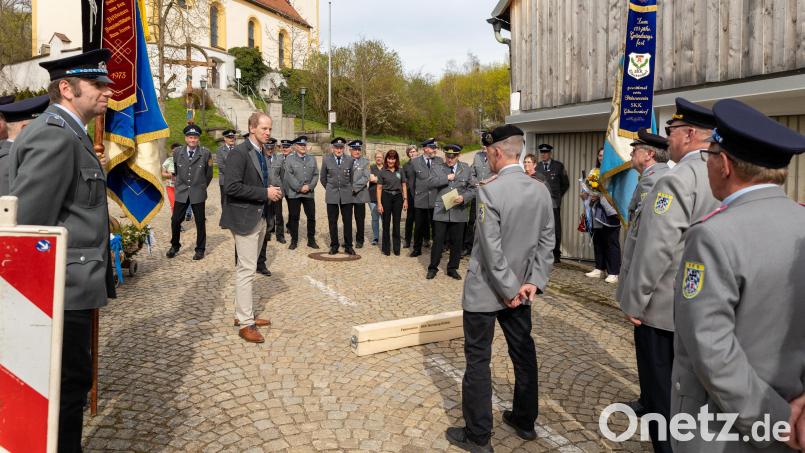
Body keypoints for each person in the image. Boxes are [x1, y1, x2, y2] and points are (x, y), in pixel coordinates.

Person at [671, 99, 805, 452]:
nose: (708, 164)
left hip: (726, 428)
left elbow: (710, 346)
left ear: (725, 164)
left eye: (710, 155)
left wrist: (775, 419)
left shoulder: (712, 236)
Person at [8, 48, 117, 453]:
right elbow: (28, 227)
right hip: (58, 291)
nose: (108, 90)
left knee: (70, 384)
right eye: (98, 84)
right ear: (67, 88)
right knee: (65, 389)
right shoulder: (56, 136)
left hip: (69, 287)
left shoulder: (69, 133)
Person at [619, 98, 720, 453]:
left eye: (672, 131)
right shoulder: (726, 173)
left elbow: (655, 248)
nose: (669, 139)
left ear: (690, 134)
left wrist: (634, 300)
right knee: (697, 396)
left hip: (663, 311)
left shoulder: (677, 180)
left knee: (661, 394)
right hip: (709, 309)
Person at [446, 125, 554, 453]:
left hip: (488, 292)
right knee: (523, 354)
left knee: (478, 359)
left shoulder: (490, 189)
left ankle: (479, 436)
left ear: (495, 152)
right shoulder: (540, 189)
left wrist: (508, 289)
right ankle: (524, 420)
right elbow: (547, 241)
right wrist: (532, 281)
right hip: (522, 291)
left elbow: (491, 249)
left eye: (488, 153)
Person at [613, 129, 670, 417]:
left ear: (649, 154)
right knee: (646, 354)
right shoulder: (647, 180)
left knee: (655, 358)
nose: (631, 155)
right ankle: (648, 399)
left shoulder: (658, 183)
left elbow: (654, 245)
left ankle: (658, 410)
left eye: (635, 150)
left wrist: (637, 295)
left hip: (653, 292)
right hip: (644, 283)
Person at [220, 112, 282, 343]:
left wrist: (271, 190)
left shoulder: (261, 152)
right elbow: (232, 187)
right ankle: (246, 323)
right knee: (246, 270)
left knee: (248, 268)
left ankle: (243, 314)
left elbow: (257, 182)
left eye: (270, 129)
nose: (268, 133)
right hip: (245, 218)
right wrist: (264, 193)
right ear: (252, 128)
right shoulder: (239, 153)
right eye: (264, 129)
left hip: (260, 215)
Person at [426, 144, 476, 279]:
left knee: (457, 241)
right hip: (441, 210)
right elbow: (430, 183)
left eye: (453, 157)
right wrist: (446, 178)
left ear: (458, 156)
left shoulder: (466, 168)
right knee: (438, 240)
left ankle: (452, 268)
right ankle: (433, 267)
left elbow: (473, 189)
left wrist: (464, 198)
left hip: (459, 210)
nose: (450, 159)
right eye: (448, 156)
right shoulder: (437, 168)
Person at [166, 124, 213, 260]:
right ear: (186, 138)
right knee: (175, 220)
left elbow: (209, 174)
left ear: (198, 139)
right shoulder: (177, 152)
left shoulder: (205, 153)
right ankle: (175, 245)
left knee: (200, 221)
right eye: (190, 137)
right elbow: (176, 170)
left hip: (198, 192)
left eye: (195, 137)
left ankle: (200, 249)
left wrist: (201, 187)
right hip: (181, 192)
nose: (193, 140)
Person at [582, 147, 621, 284]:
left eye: (604, 155)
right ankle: (599, 268)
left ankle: (614, 272)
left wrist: (599, 196)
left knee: (611, 242)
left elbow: (616, 192)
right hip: (595, 211)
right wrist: (586, 195)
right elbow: (589, 188)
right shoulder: (594, 171)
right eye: (599, 155)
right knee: (598, 240)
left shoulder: (615, 172)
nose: (601, 157)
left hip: (610, 210)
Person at [0, 95, 49, 195]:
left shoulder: (14, 156)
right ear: (25, 129)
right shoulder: (11, 161)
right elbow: (8, 208)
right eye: (40, 126)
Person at [534, 143, 569, 262]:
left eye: (545, 152)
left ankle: (556, 254)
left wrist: (557, 196)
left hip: (554, 203)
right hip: (540, 203)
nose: (543, 155)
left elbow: (565, 184)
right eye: (541, 153)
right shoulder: (537, 167)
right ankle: (541, 253)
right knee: (540, 227)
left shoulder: (558, 166)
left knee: (555, 228)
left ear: (550, 153)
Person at [320, 137, 355, 255]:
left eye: (341, 148)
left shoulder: (350, 160)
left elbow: (352, 178)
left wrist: (347, 189)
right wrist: (330, 188)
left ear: (344, 148)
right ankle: (334, 245)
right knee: (332, 221)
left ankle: (348, 245)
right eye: (336, 147)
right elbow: (323, 178)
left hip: (346, 195)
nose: (339, 150)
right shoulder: (326, 159)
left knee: (348, 221)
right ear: (332, 148)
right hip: (332, 195)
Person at [409, 138, 443, 257]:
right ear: (425, 149)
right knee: (418, 226)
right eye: (432, 148)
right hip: (421, 199)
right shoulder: (415, 162)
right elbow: (412, 184)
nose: (435, 150)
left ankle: (437, 249)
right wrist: (416, 197)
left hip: (435, 199)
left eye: (435, 148)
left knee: (436, 226)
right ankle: (417, 248)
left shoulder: (439, 161)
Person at [284, 135, 319, 249]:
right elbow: (289, 176)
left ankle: (311, 240)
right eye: (300, 145)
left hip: (309, 192)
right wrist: (299, 187)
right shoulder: (290, 158)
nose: (303, 147)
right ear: (295, 146)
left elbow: (316, 174)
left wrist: (309, 186)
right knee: (294, 217)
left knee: (311, 217)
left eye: (304, 145)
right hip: (295, 193)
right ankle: (294, 241)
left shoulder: (312, 158)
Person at [375, 149, 408, 256]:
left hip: (398, 197)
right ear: (386, 159)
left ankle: (397, 248)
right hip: (386, 197)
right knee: (386, 223)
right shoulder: (382, 172)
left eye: (393, 159)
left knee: (396, 223)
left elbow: (403, 185)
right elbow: (379, 188)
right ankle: (386, 248)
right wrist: (379, 204)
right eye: (389, 158)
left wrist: (405, 200)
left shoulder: (400, 170)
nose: (391, 161)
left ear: (396, 160)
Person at [256, 137, 280, 275]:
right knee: (247, 233)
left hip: (268, 199)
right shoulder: (251, 157)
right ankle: (242, 262)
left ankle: (261, 263)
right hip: (253, 199)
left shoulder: (271, 159)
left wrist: (273, 189)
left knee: (264, 232)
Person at [464, 136, 492, 256]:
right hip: (477, 194)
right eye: (483, 145)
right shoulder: (477, 156)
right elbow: (472, 173)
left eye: (486, 145)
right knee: (472, 221)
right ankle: (468, 246)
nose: (484, 147)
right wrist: (476, 183)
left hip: (490, 195)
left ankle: (485, 249)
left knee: (487, 222)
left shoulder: (497, 157)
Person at [349, 140, 371, 248]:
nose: (357, 151)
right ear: (350, 150)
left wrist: (354, 188)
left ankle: (360, 240)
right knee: (347, 219)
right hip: (347, 195)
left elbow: (366, 177)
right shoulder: (345, 161)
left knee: (360, 219)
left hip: (360, 194)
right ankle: (347, 239)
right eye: (355, 149)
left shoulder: (365, 161)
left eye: (359, 149)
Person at [215, 129, 237, 211]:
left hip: (237, 180)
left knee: (236, 199)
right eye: (229, 137)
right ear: (225, 139)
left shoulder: (238, 149)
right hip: (225, 180)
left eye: (232, 137)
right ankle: (225, 216)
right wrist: (234, 174)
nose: (231, 139)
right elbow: (221, 166)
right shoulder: (220, 150)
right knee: (225, 199)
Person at [402, 145, 418, 248]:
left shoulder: (423, 163)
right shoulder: (406, 166)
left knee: (422, 219)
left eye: (413, 151)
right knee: (410, 219)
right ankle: (407, 240)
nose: (412, 153)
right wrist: (405, 198)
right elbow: (404, 182)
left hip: (422, 195)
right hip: (411, 194)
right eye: (410, 152)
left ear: (417, 152)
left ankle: (423, 239)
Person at [368, 150, 383, 245]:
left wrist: (377, 179)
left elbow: (391, 180)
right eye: (377, 157)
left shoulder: (386, 167)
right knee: (375, 218)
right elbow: (371, 179)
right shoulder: (371, 167)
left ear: (383, 158)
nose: (378, 158)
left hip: (384, 196)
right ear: (375, 158)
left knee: (384, 218)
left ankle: (385, 236)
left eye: (380, 157)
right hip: (372, 196)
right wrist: (384, 179)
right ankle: (376, 237)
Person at [161, 143, 182, 213]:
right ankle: (175, 220)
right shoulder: (168, 161)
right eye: (174, 151)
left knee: (182, 205)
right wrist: (169, 175)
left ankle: (187, 212)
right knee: (173, 204)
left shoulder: (186, 160)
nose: (175, 153)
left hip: (182, 187)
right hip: (170, 187)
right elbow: (163, 173)